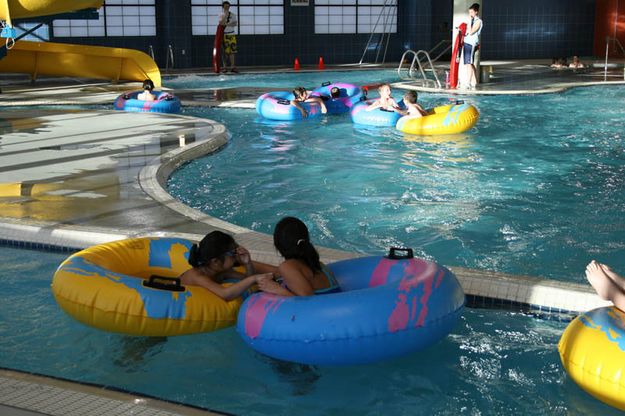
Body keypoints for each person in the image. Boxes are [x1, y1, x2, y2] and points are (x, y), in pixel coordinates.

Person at [179, 231, 276, 301]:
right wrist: (255, 278)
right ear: (216, 261)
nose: (237, 255)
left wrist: (248, 263)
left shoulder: (221, 271)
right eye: (233, 253)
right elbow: (225, 294)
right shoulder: (197, 276)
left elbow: (247, 280)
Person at [256, 217, 340, 297]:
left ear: (278, 245)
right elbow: (278, 272)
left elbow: (309, 301)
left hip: (320, 309)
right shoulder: (318, 264)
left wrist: (277, 289)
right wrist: (248, 263)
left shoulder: (287, 267)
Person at [462, 3, 483, 89]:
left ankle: (468, 82)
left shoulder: (478, 21)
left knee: (469, 63)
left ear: (476, 12)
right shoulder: (472, 21)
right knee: (469, 63)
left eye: (471, 12)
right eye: (469, 12)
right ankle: (475, 81)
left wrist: (470, 21)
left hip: (471, 44)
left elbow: (471, 32)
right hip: (467, 43)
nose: (470, 14)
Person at [219, 1, 238, 73]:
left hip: (232, 35)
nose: (227, 7)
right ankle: (224, 67)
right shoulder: (221, 15)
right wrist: (225, 15)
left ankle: (233, 67)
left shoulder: (233, 14)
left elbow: (235, 23)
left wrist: (226, 24)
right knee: (224, 52)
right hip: (224, 35)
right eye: (225, 6)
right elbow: (221, 23)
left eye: (228, 6)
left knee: (232, 52)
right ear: (223, 7)